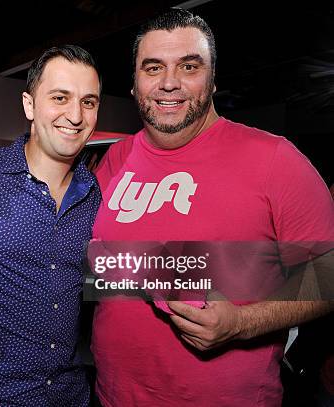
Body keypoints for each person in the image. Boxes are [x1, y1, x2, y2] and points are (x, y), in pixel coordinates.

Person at [90, 8, 334, 406]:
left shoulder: (275, 159)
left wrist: (241, 323)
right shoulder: (116, 158)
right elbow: (102, 266)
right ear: (134, 84)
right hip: (113, 397)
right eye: (153, 68)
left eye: (189, 66)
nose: (169, 83)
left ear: (214, 79)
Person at [0, 45, 102, 406]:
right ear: (29, 105)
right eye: (60, 97)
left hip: (70, 396)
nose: (75, 115)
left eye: (88, 102)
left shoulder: (96, 194)